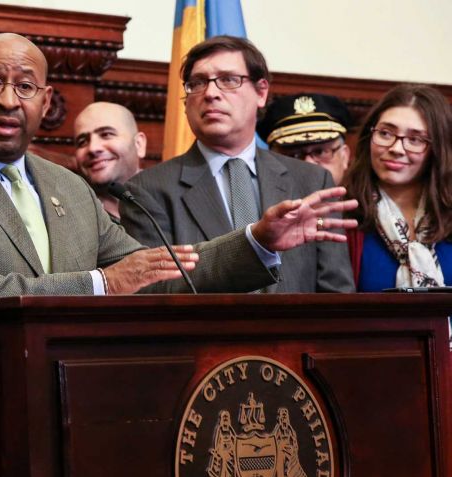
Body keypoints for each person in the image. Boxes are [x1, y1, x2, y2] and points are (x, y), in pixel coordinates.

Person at [0, 32, 357, 380]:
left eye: (25, 87)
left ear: (45, 103)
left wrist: (257, 241)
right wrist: (101, 283)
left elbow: (160, 271)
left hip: (63, 398)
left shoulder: (66, 185)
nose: (8, 100)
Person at [124, 36, 356, 293]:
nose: (210, 93)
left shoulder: (312, 181)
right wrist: (253, 244)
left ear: (261, 92)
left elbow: (336, 294)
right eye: (197, 83)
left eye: (228, 80)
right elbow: (152, 291)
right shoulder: (147, 190)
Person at [343, 84, 452, 291]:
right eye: (385, 133)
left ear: (438, 149)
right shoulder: (342, 214)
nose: (396, 148)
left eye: (415, 139)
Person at [73, 101, 147, 222]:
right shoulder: (72, 213)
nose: (93, 148)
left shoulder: (170, 199)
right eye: (82, 142)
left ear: (139, 144)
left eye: (106, 134)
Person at [257, 93, 352, 185]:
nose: (308, 163)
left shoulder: (364, 201)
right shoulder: (251, 200)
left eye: (320, 152)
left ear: (345, 157)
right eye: (294, 155)